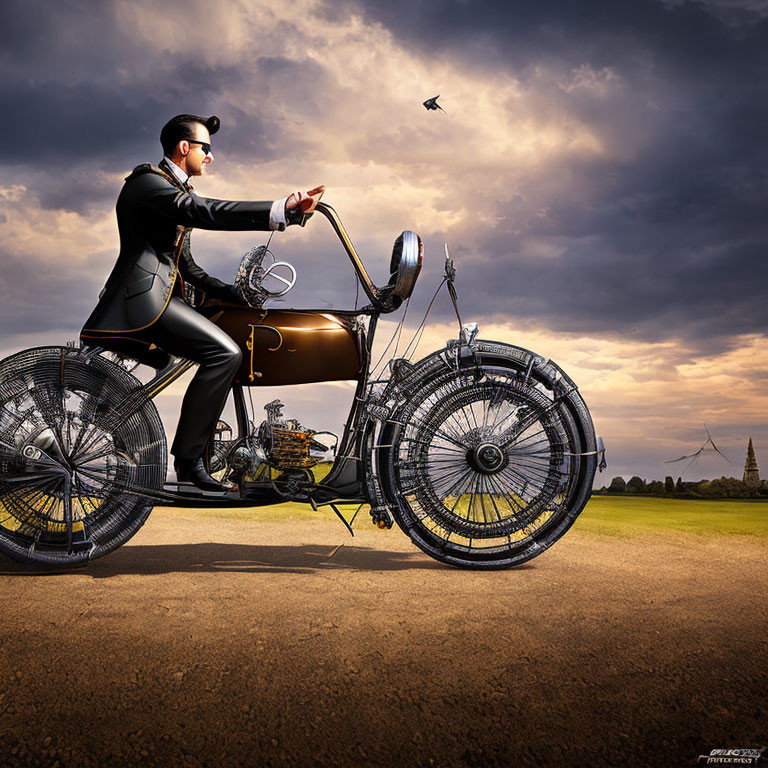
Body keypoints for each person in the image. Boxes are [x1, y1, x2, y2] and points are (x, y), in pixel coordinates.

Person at [80, 113, 324, 493]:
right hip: (144, 302)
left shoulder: (174, 194)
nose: (210, 157)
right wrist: (279, 209)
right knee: (224, 354)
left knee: (227, 345)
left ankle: (208, 455)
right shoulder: (148, 184)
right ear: (184, 148)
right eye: (205, 149)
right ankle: (191, 462)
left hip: (160, 300)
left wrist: (234, 293)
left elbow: (187, 268)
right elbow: (204, 212)